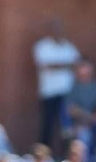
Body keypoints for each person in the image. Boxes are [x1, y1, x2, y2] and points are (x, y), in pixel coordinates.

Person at [33, 19, 80, 148]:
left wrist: (59, 65)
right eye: (54, 29)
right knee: (47, 124)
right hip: (49, 92)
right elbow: (46, 66)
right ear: (49, 31)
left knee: (66, 126)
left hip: (67, 93)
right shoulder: (42, 46)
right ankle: (43, 154)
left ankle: (67, 153)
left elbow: (77, 64)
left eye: (59, 29)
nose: (57, 32)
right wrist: (67, 65)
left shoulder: (68, 47)